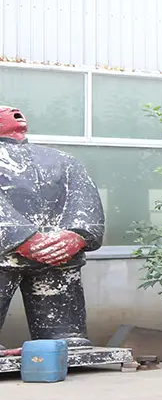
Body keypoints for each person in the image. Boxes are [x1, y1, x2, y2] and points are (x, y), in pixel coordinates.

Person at [0, 105, 105, 349]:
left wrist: (76, 236)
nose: (14, 112)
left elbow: (84, 199)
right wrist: (20, 237)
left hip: (53, 256)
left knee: (66, 337)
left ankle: (64, 339)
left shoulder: (64, 161)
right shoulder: (63, 160)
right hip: (29, 253)